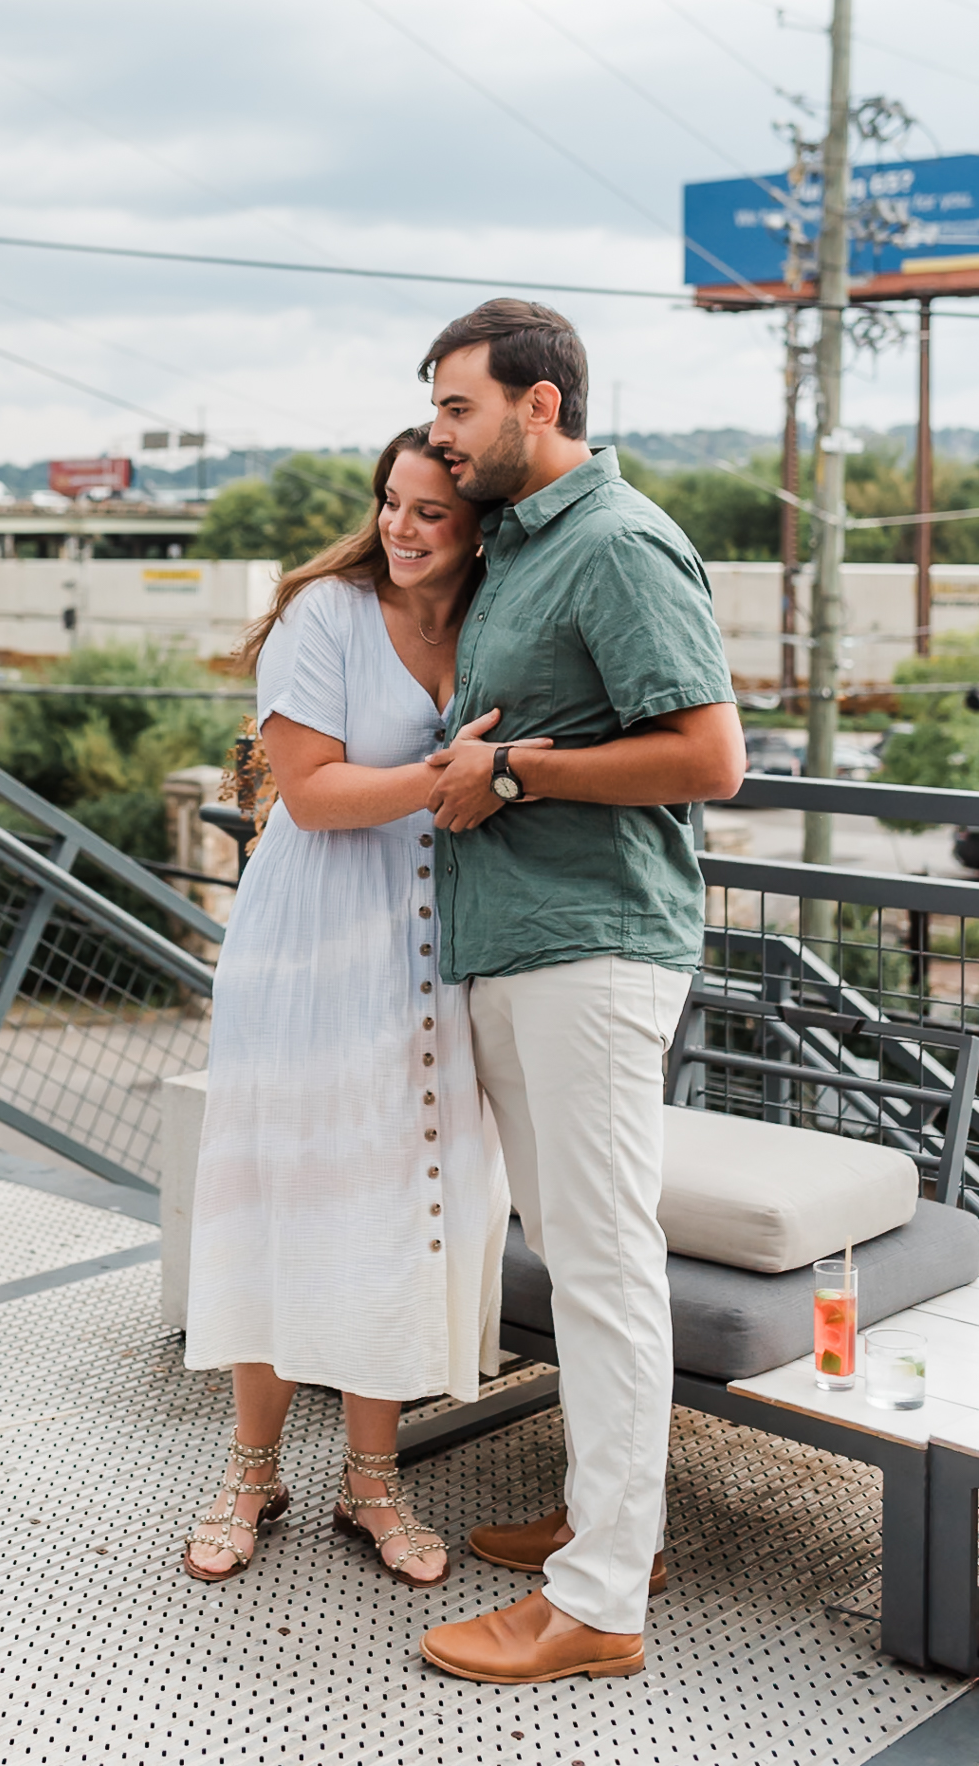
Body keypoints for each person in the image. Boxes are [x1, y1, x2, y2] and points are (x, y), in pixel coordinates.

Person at [410, 300, 745, 1686]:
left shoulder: (614, 542)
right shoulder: (521, 552)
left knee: (602, 1269)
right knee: (573, 1250)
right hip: (516, 941)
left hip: (593, 947)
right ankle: (612, 1526)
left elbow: (708, 756)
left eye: (457, 410)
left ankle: (600, 1601)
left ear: (538, 405)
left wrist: (513, 772)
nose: (439, 435)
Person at [182, 424, 511, 1589]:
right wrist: (452, 776)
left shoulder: (493, 616)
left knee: (398, 1200)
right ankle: (249, 1469)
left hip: (435, 947)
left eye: (430, 509)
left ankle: (370, 1481)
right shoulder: (323, 614)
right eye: (390, 502)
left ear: (478, 519)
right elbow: (312, 797)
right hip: (314, 942)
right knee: (285, 1190)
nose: (401, 527)